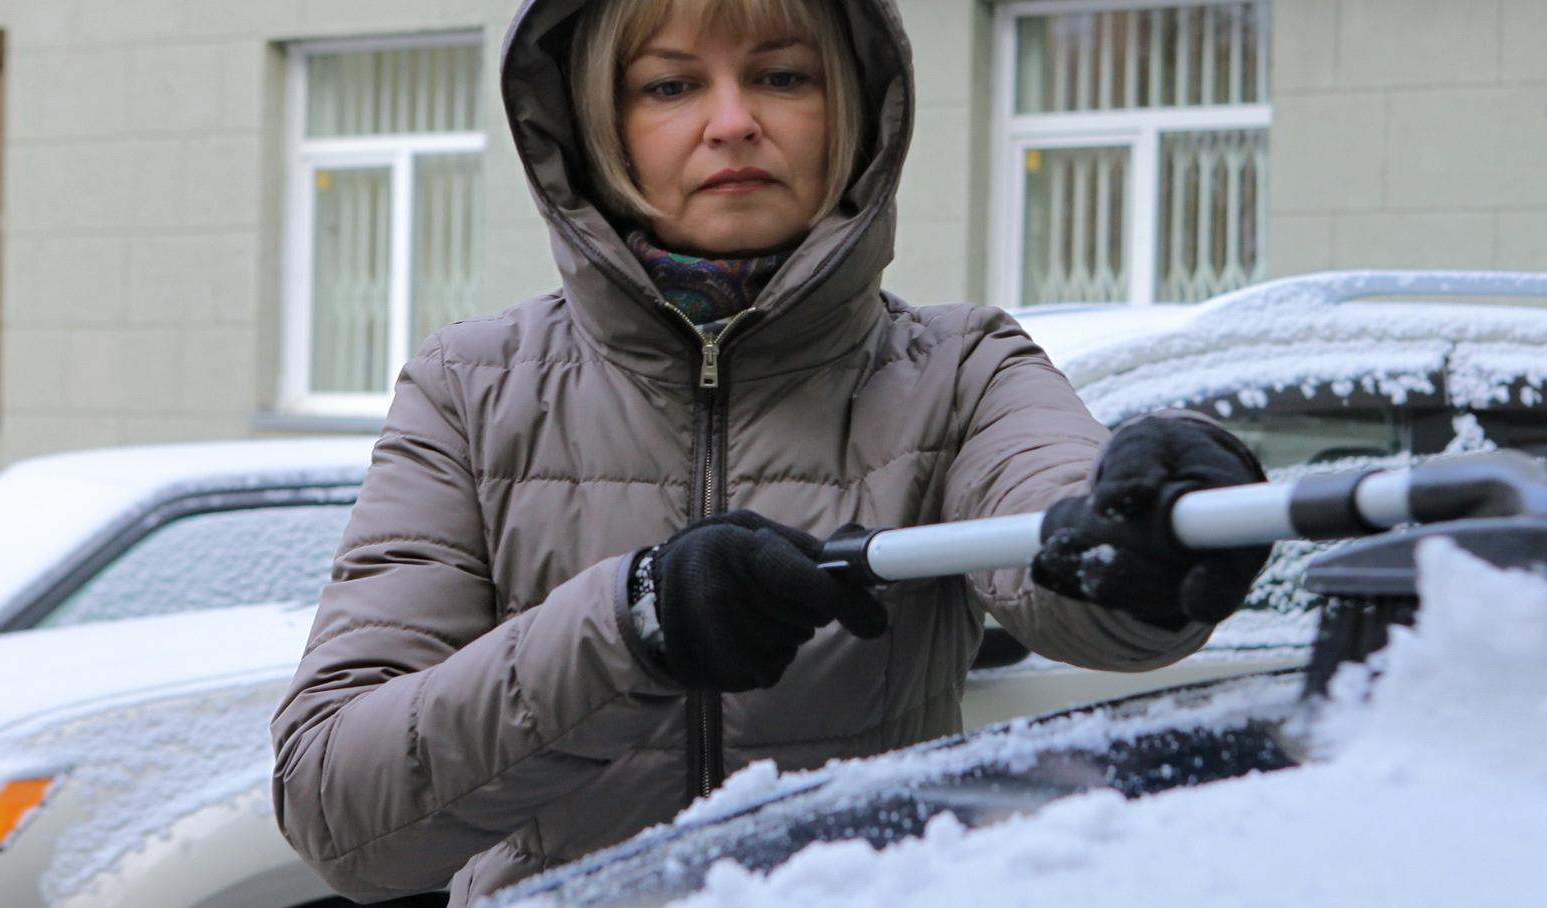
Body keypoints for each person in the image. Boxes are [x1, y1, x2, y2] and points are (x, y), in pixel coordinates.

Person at [267, 0, 1268, 903]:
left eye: (784, 75)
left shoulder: (960, 368)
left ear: (856, 112)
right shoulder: (470, 388)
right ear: (593, 125)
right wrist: (638, 620)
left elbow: (1063, 539)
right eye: (669, 84)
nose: (733, 119)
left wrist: (1154, 526)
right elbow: (343, 816)